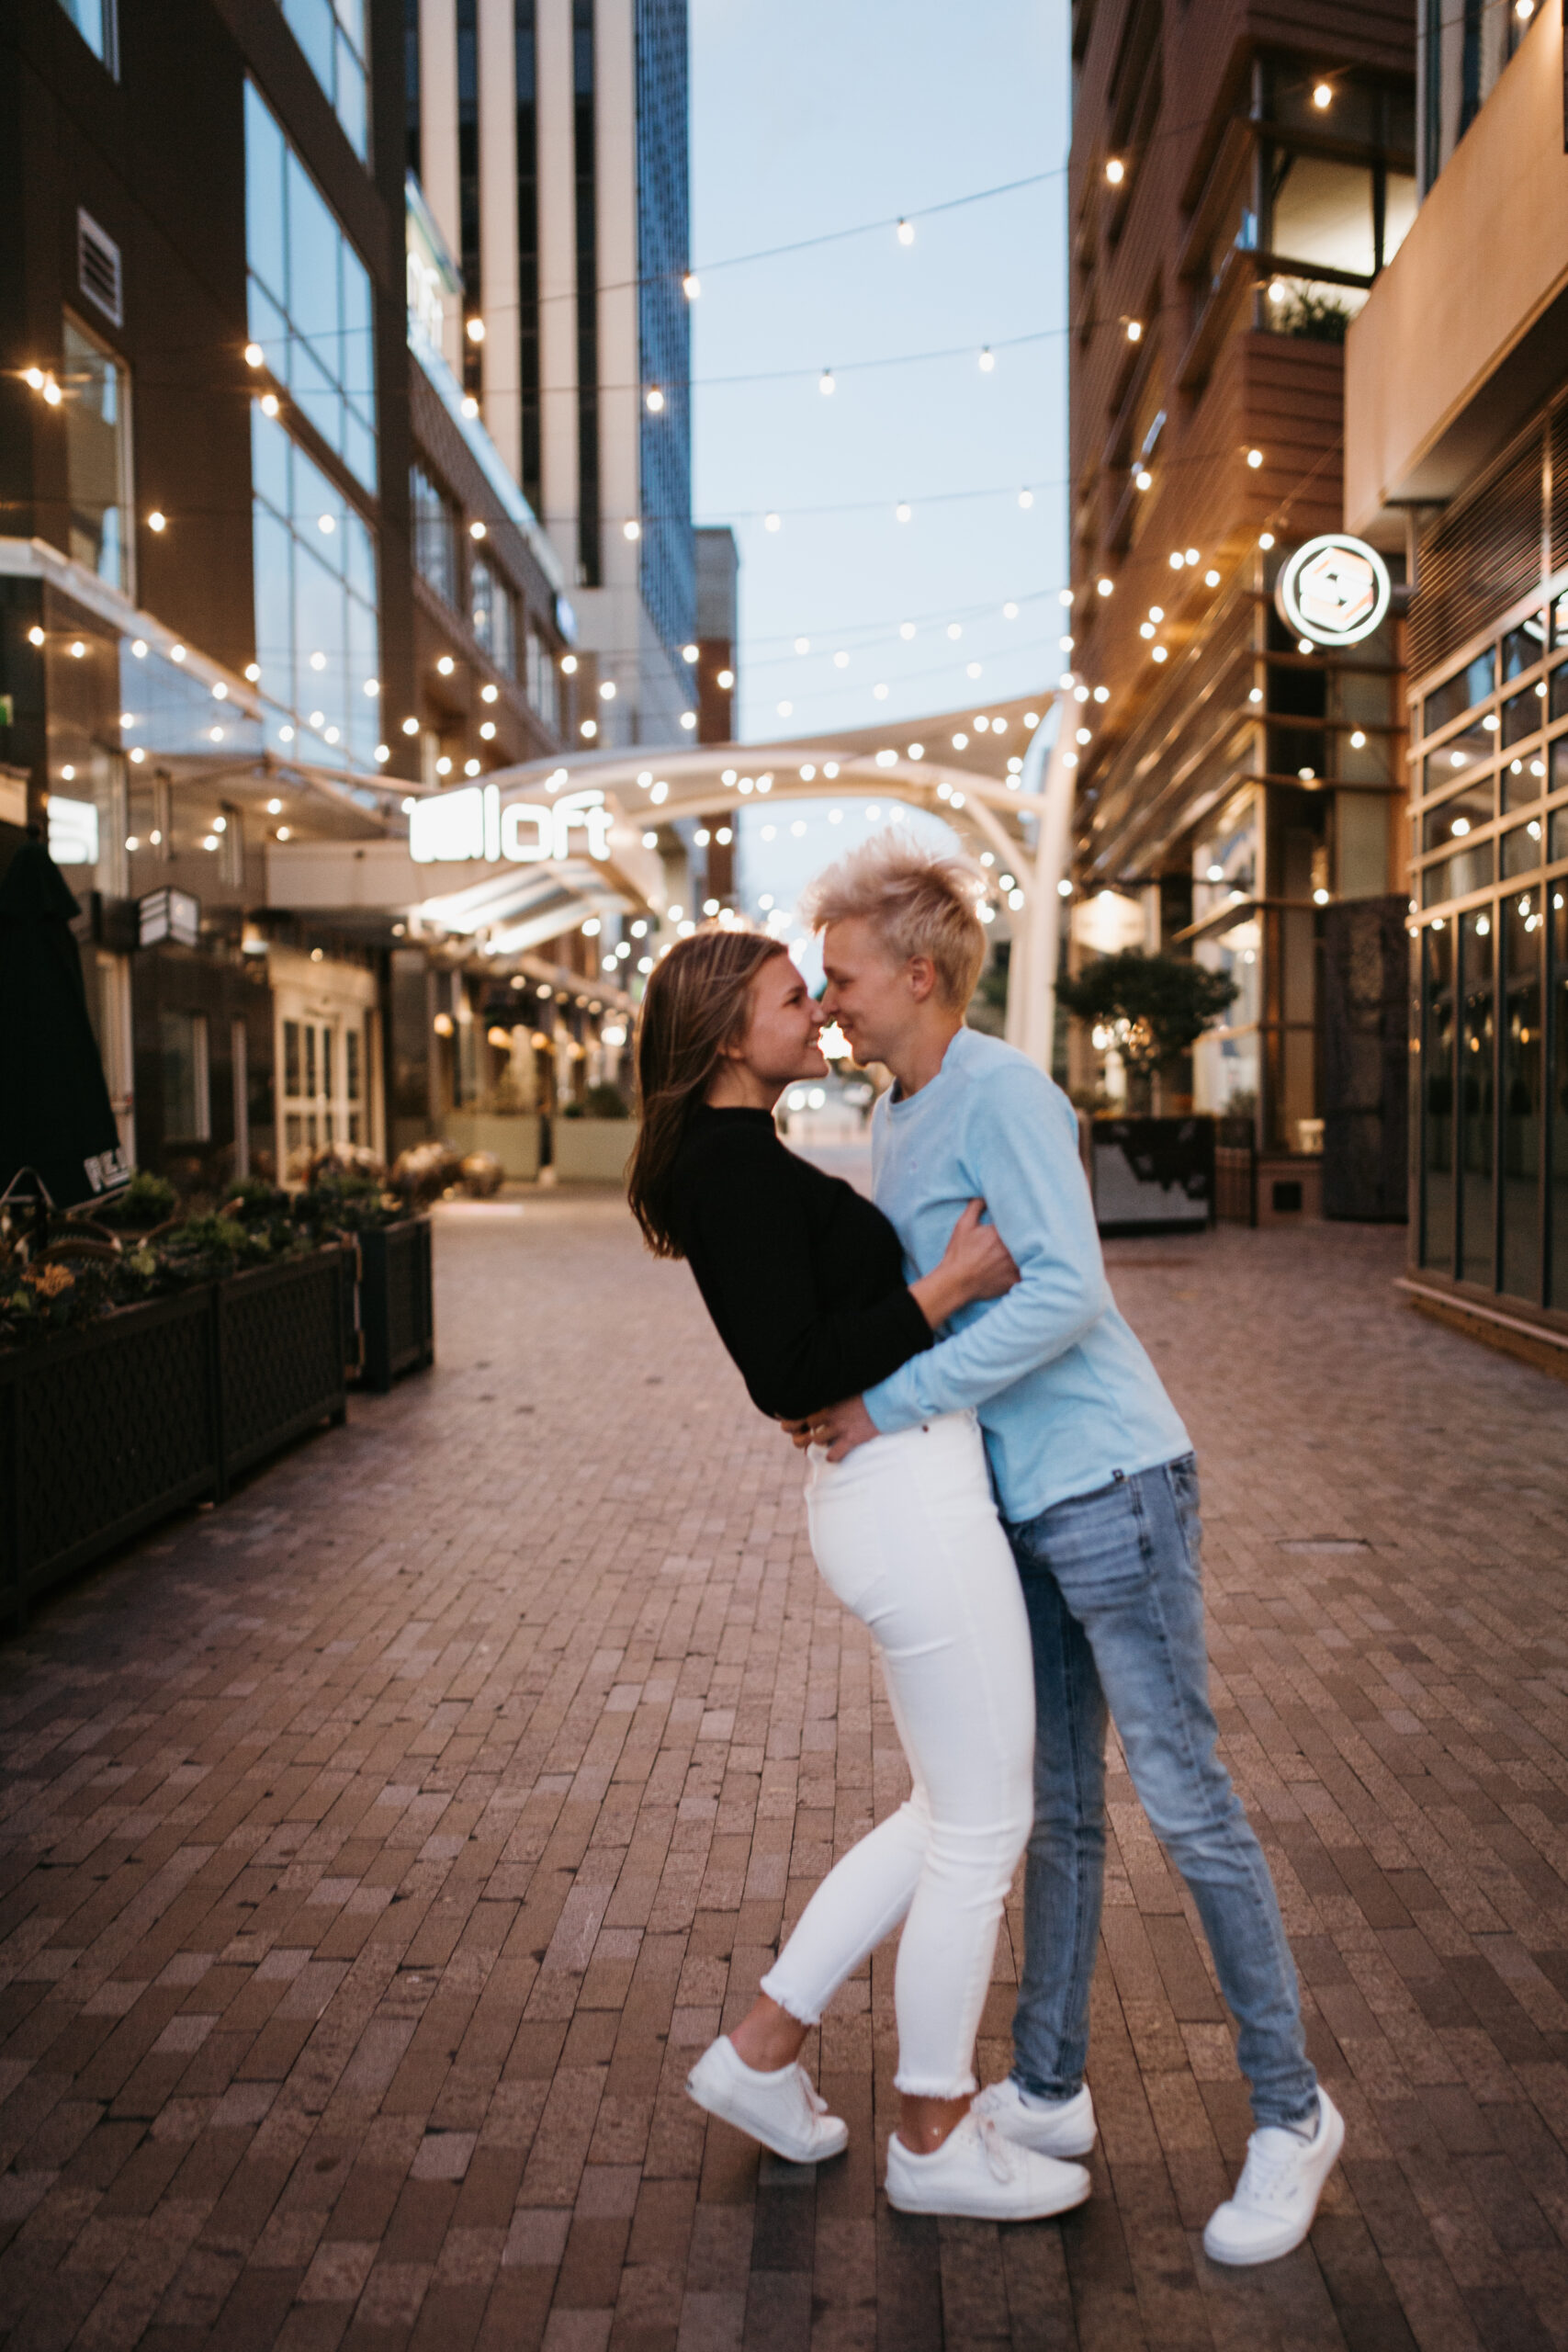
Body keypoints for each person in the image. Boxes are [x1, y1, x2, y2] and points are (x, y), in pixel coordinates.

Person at [795, 835, 1344, 2269]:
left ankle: (1291, 2115)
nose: (827, 998)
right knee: (1054, 1805)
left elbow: (1066, 1299)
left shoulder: (1003, 1092)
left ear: (921, 974)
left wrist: (892, 1401)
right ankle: (1046, 2090)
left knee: (1182, 1795)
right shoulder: (903, 1114)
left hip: (1111, 1483)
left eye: (844, 976)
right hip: (1015, 1507)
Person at [627, 923, 1091, 2222]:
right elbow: (791, 1370)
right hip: (907, 1506)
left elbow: (804, 1342)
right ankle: (934, 2136)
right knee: (984, 1823)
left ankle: (762, 2052)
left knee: (953, 1808)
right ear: (729, 1033)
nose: (819, 1013)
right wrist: (946, 1286)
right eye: (794, 997)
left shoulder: (741, 1158)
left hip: (901, 1498)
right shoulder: (729, 1170)